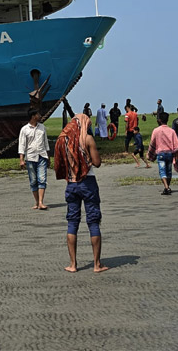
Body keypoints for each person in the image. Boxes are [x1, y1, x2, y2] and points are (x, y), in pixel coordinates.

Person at [54, 114, 106, 273]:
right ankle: (97, 265)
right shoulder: (88, 139)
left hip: (71, 184)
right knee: (93, 221)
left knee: (72, 222)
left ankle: (73, 264)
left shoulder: (64, 140)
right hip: (88, 183)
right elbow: (97, 163)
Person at [18, 108, 50, 211]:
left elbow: (46, 143)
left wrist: (48, 157)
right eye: (38, 114)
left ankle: (41, 202)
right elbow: (22, 145)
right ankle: (36, 201)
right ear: (33, 116)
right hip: (31, 157)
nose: (40, 116)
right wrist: (21, 160)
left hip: (42, 156)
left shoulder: (42, 128)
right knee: (33, 181)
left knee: (42, 179)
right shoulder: (24, 129)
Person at [149, 112, 178, 195]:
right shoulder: (172, 131)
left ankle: (166, 187)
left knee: (162, 171)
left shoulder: (156, 130)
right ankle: (167, 187)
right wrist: (176, 155)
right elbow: (176, 145)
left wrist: (150, 154)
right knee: (169, 171)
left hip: (160, 154)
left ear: (159, 120)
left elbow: (152, 143)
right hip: (169, 153)